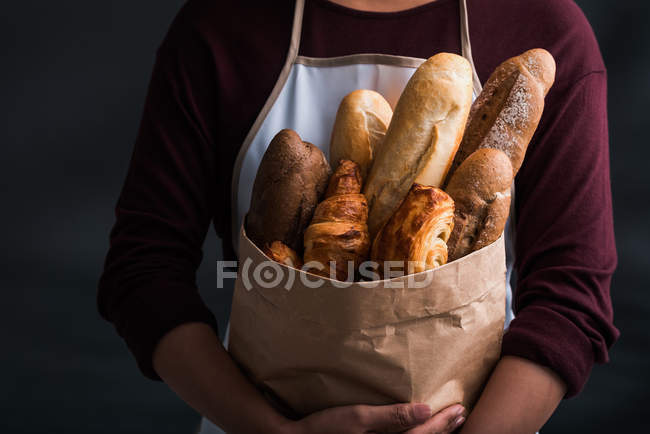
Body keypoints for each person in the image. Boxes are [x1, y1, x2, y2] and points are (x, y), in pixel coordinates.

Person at [98, 0, 619, 432]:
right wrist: (269, 430)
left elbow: (570, 295)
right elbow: (144, 271)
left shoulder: (540, 24)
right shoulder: (220, 27)